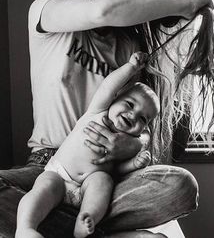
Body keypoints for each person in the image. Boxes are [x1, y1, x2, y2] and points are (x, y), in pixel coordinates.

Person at [0, 0, 214, 237]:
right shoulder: (48, 10)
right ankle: (96, 231)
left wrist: (134, 144)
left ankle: (69, 221)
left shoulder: (131, 50)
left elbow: (139, 115)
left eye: (136, 2)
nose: (126, 3)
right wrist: (185, 5)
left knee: (181, 187)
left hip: (105, 177)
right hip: (47, 165)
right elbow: (104, 10)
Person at [16, 51, 161, 238]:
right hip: (60, 175)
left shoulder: (126, 143)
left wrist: (134, 164)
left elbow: (118, 170)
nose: (133, 115)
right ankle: (26, 228)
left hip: (87, 190)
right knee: (43, 188)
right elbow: (108, 86)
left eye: (143, 118)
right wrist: (131, 67)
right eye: (130, 104)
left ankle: (85, 221)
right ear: (115, 98)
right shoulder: (97, 111)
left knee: (104, 181)